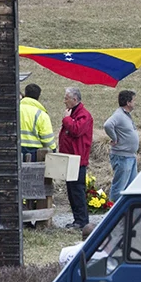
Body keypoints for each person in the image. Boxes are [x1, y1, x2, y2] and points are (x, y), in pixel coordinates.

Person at [60, 87, 93, 229]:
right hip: (70, 159)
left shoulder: (84, 115)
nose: (64, 101)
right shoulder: (74, 113)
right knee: (72, 191)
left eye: (66, 98)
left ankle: (82, 221)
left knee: (77, 191)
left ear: (75, 99)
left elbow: (76, 130)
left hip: (77, 160)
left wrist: (66, 119)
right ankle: (77, 219)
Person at [103, 90, 139, 196]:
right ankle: (113, 209)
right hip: (122, 157)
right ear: (128, 102)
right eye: (133, 100)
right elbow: (107, 125)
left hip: (130, 156)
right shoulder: (119, 114)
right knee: (119, 187)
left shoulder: (126, 115)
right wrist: (114, 138)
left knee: (130, 188)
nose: (135, 103)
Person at [19, 83, 56, 158]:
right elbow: (47, 139)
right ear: (38, 97)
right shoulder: (41, 114)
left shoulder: (15, 109)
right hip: (34, 154)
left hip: (14, 150)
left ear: (25, 94)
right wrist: (53, 149)